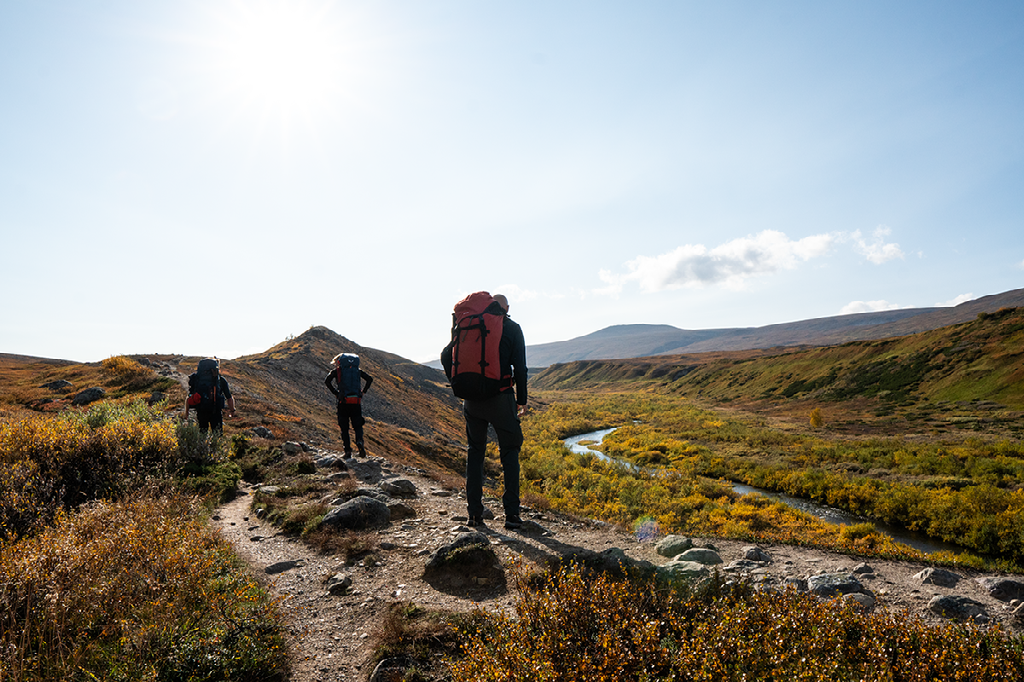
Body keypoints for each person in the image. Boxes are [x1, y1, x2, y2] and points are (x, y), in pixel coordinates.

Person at [453, 293, 528, 530]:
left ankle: (474, 515)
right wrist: (522, 399)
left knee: (475, 452)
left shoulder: (469, 323)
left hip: (471, 400)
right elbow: (521, 368)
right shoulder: (512, 327)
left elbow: (448, 355)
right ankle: (512, 515)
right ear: (506, 308)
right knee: (510, 452)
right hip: (501, 397)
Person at [324, 353, 374, 457]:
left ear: (339, 362)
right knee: (358, 426)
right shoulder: (357, 371)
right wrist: (363, 392)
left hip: (343, 403)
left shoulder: (336, 371)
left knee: (344, 428)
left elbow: (327, 381)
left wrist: (336, 393)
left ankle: (347, 451)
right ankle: (359, 442)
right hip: (356, 402)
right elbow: (369, 379)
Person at [182, 358, 236, 433]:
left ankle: (202, 444)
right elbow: (229, 398)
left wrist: (187, 413)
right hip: (216, 411)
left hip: (201, 410)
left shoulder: (196, 379)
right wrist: (232, 410)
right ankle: (216, 444)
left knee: (202, 433)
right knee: (217, 434)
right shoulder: (220, 380)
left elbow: (189, 396)